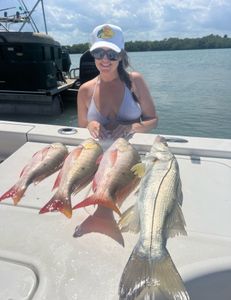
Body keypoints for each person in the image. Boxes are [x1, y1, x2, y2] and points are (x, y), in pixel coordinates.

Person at [77, 23, 158, 140]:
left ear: (120, 56)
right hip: (99, 151)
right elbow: (82, 126)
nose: (105, 59)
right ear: (92, 55)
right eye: (99, 53)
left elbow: (153, 121)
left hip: (129, 151)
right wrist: (89, 125)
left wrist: (131, 127)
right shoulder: (84, 90)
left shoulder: (135, 81)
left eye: (112, 54)